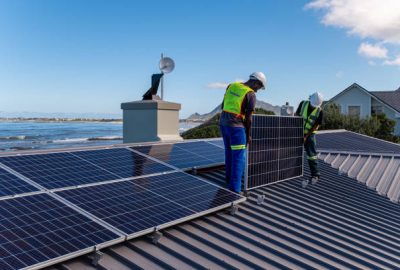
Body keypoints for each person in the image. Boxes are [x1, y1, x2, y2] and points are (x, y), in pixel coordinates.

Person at [219, 72, 267, 193]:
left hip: (224, 124)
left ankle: (228, 179)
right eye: (259, 87)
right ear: (256, 83)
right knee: (238, 158)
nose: (258, 90)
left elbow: (223, 106)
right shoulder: (250, 94)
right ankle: (235, 190)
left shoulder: (232, 85)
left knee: (229, 153)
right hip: (236, 128)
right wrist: (248, 134)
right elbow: (249, 118)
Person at [295, 92, 324, 188]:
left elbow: (315, 126)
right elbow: (296, 115)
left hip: (310, 134)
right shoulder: (303, 104)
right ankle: (291, 171)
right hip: (298, 130)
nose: (313, 106)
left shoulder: (320, 111)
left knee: (311, 155)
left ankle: (315, 174)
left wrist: (306, 136)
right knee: (293, 150)